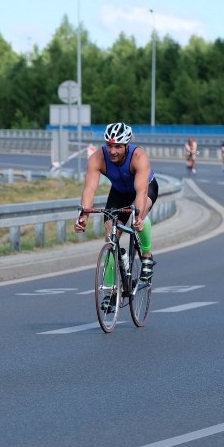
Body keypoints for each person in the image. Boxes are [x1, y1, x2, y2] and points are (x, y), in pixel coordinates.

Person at [75, 122, 158, 310]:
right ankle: (113, 292)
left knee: (141, 215)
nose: (112, 151)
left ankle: (146, 256)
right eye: (109, 145)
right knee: (110, 234)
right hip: (119, 192)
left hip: (144, 189)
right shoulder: (98, 158)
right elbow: (90, 189)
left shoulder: (138, 156)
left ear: (127, 145)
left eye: (118, 146)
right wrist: (84, 216)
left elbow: (141, 190)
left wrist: (137, 215)